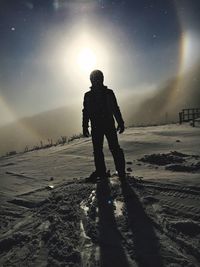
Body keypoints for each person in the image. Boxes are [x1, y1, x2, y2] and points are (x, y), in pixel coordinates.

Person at [82, 69, 126, 182]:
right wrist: (85, 126)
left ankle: (110, 172)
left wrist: (120, 122)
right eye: (95, 79)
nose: (96, 81)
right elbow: (86, 111)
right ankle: (114, 171)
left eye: (97, 79)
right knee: (106, 149)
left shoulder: (93, 95)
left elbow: (86, 111)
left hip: (101, 126)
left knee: (105, 149)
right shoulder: (102, 93)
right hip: (103, 126)